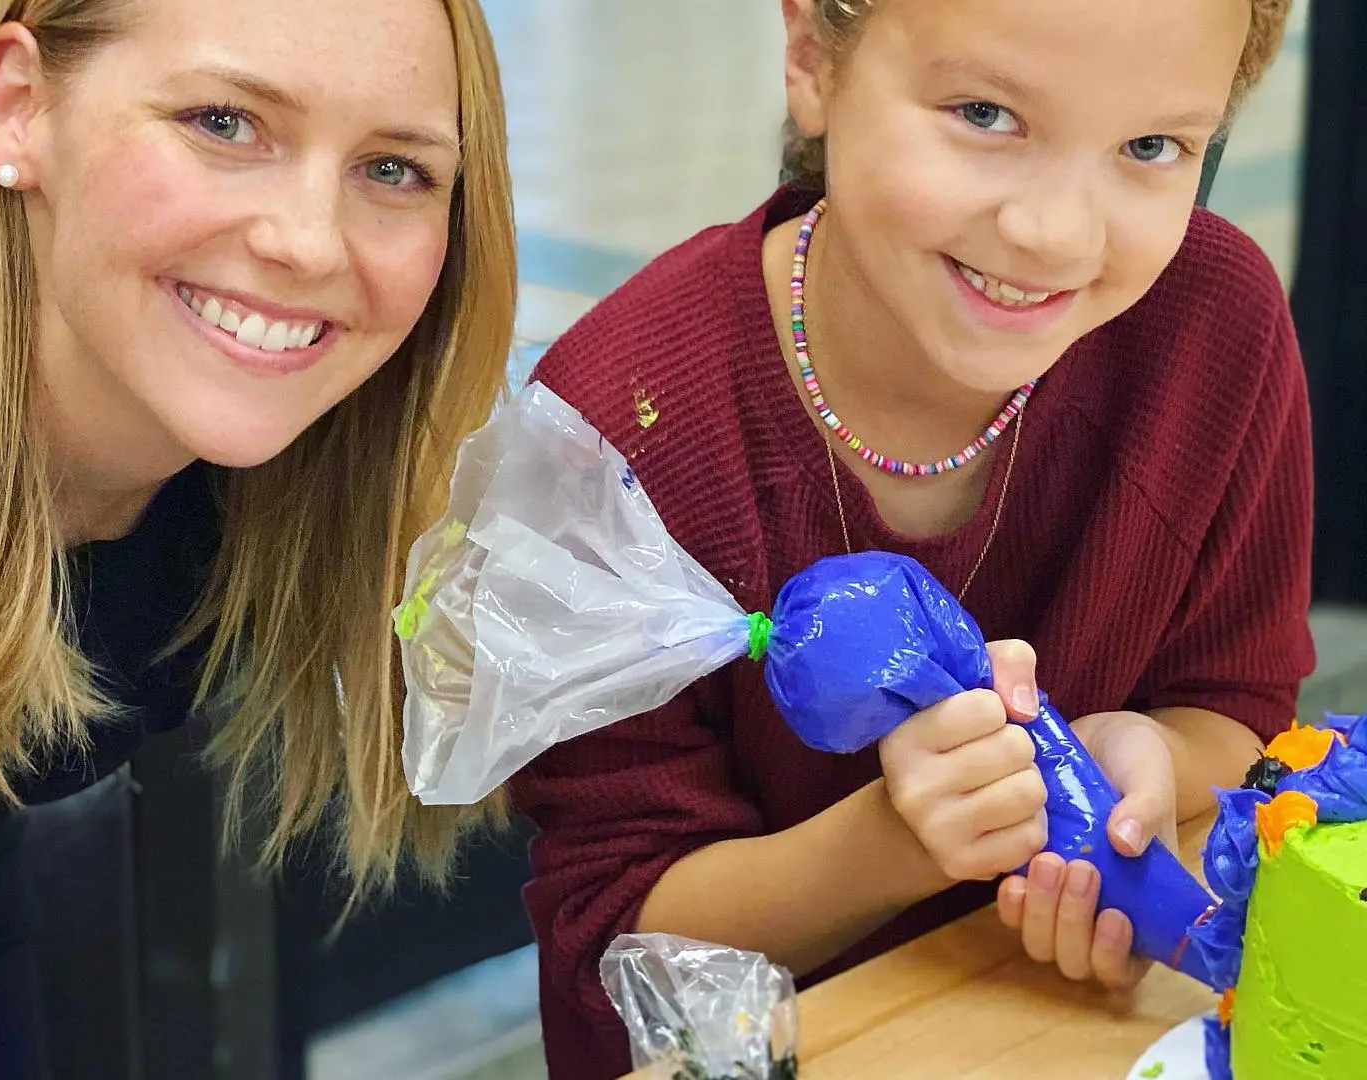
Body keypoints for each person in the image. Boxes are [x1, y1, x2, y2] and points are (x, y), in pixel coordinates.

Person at [510, 0, 1311, 1076]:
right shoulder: (620, 424)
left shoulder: (1214, 324)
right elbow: (616, 935)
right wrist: (890, 843)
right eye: (985, 112)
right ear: (810, 56)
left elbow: (1240, 707)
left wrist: (1155, 760)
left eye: (1152, 146)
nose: (1056, 233)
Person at [0, 0, 514, 1075]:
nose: (307, 241)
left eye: (394, 171)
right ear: (16, 109)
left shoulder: (270, 484)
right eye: (223, 122)